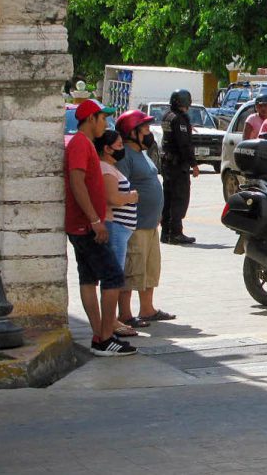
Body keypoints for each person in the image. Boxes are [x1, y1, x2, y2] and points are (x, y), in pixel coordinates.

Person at [64, 100, 136, 357]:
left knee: (88, 278)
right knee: (114, 277)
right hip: (87, 226)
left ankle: (99, 335)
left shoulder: (81, 144)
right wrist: (95, 220)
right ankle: (105, 337)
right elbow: (77, 181)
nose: (105, 124)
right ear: (91, 119)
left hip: (83, 224)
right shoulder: (81, 144)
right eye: (102, 119)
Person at [116, 110, 177, 326]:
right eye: (145, 128)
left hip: (150, 224)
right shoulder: (124, 156)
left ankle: (147, 309)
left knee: (150, 270)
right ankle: (124, 314)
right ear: (132, 132)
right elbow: (120, 186)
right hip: (135, 225)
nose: (149, 133)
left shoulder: (140, 152)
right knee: (132, 270)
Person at [94, 129, 140, 337]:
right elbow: (113, 198)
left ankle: (113, 320)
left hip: (121, 229)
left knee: (116, 275)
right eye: (119, 146)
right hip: (116, 228)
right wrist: (131, 196)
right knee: (113, 277)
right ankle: (111, 322)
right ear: (107, 148)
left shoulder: (110, 168)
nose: (122, 149)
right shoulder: (105, 169)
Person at [161, 88, 200, 245]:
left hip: (167, 164)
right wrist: (194, 164)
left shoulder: (167, 116)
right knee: (179, 199)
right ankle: (175, 233)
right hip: (177, 166)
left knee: (168, 199)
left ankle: (166, 233)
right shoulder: (179, 119)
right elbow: (184, 145)